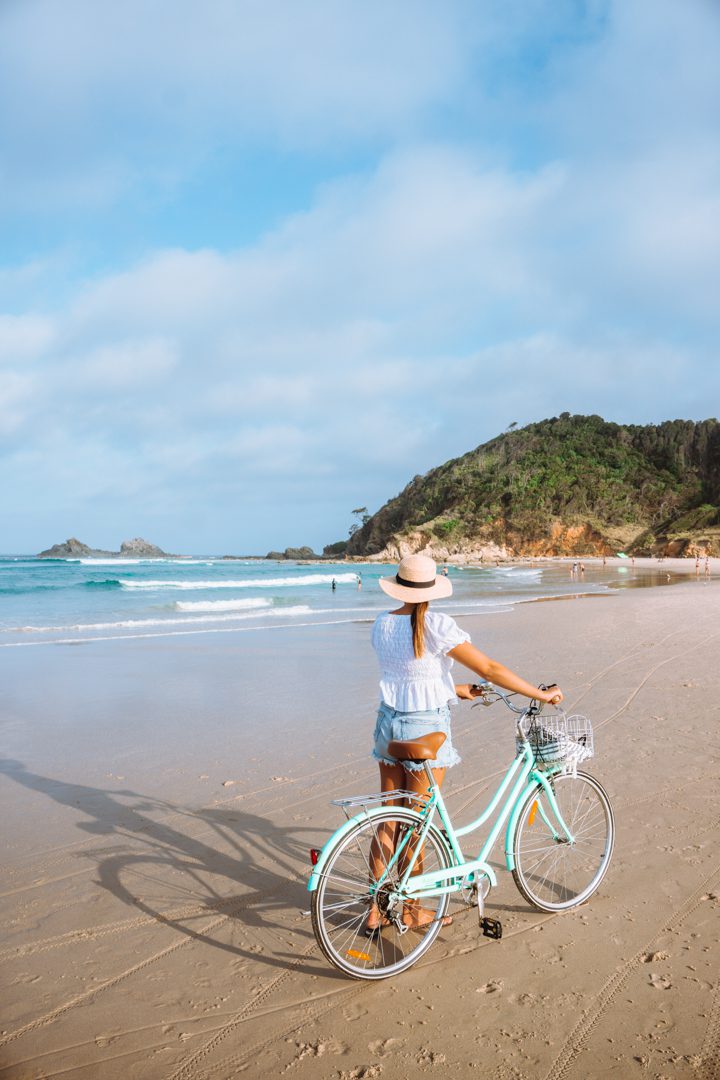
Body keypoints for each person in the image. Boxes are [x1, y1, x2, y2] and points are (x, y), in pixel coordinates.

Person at [366, 554, 564, 934]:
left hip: (388, 724)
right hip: (424, 728)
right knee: (417, 825)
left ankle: (375, 910)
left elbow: (406, 673)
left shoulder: (382, 624)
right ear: (431, 590)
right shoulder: (435, 624)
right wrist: (540, 695)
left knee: (390, 818)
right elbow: (490, 670)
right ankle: (410, 910)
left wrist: (453, 689)